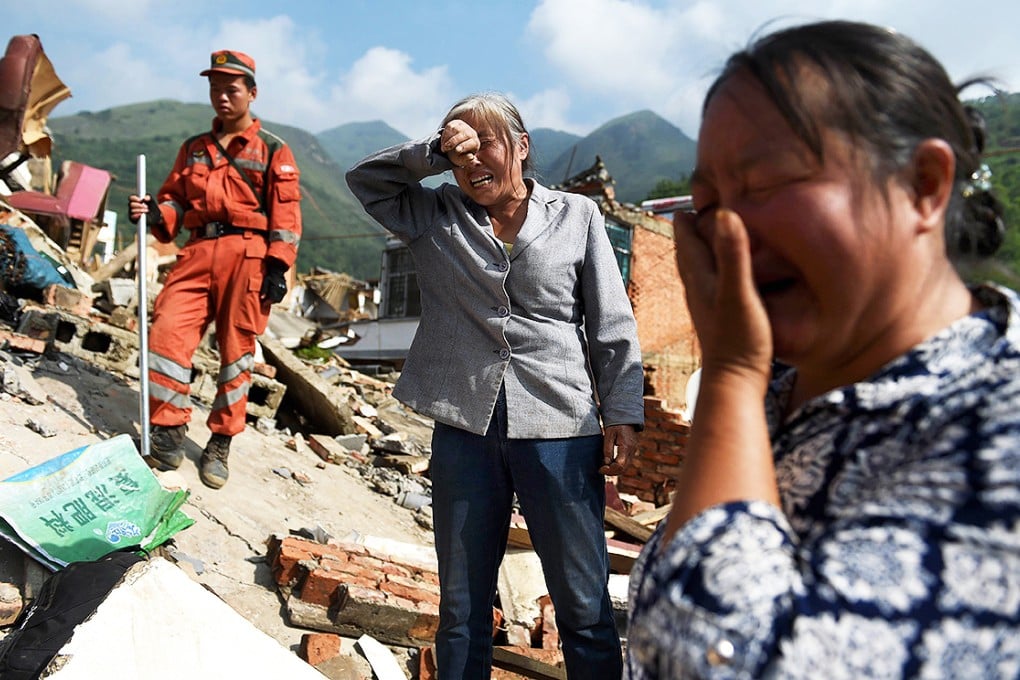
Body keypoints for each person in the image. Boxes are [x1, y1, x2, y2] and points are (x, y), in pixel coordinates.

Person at [625, 20, 1020, 679]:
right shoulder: (783, 399)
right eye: (707, 202)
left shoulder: (996, 430)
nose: (728, 232)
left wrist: (727, 373)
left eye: (769, 184)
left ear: (923, 184)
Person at [346, 93, 644, 678]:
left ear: (522, 147)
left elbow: (611, 320)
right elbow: (367, 181)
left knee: (583, 604)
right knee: (462, 606)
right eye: (461, 151)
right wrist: (432, 152)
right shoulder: (435, 213)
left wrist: (624, 411)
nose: (474, 160)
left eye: (488, 144)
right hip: (465, 426)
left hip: (560, 425)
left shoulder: (577, 216)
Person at [128, 50, 301, 489]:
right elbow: (174, 203)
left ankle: (220, 442)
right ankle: (168, 431)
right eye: (214, 88)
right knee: (166, 333)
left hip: (248, 254)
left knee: (236, 352)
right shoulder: (193, 149)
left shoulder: (274, 150)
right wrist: (153, 213)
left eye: (232, 88)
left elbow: (286, 214)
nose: (222, 96)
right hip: (198, 249)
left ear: (252, 93)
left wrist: (278, 266)